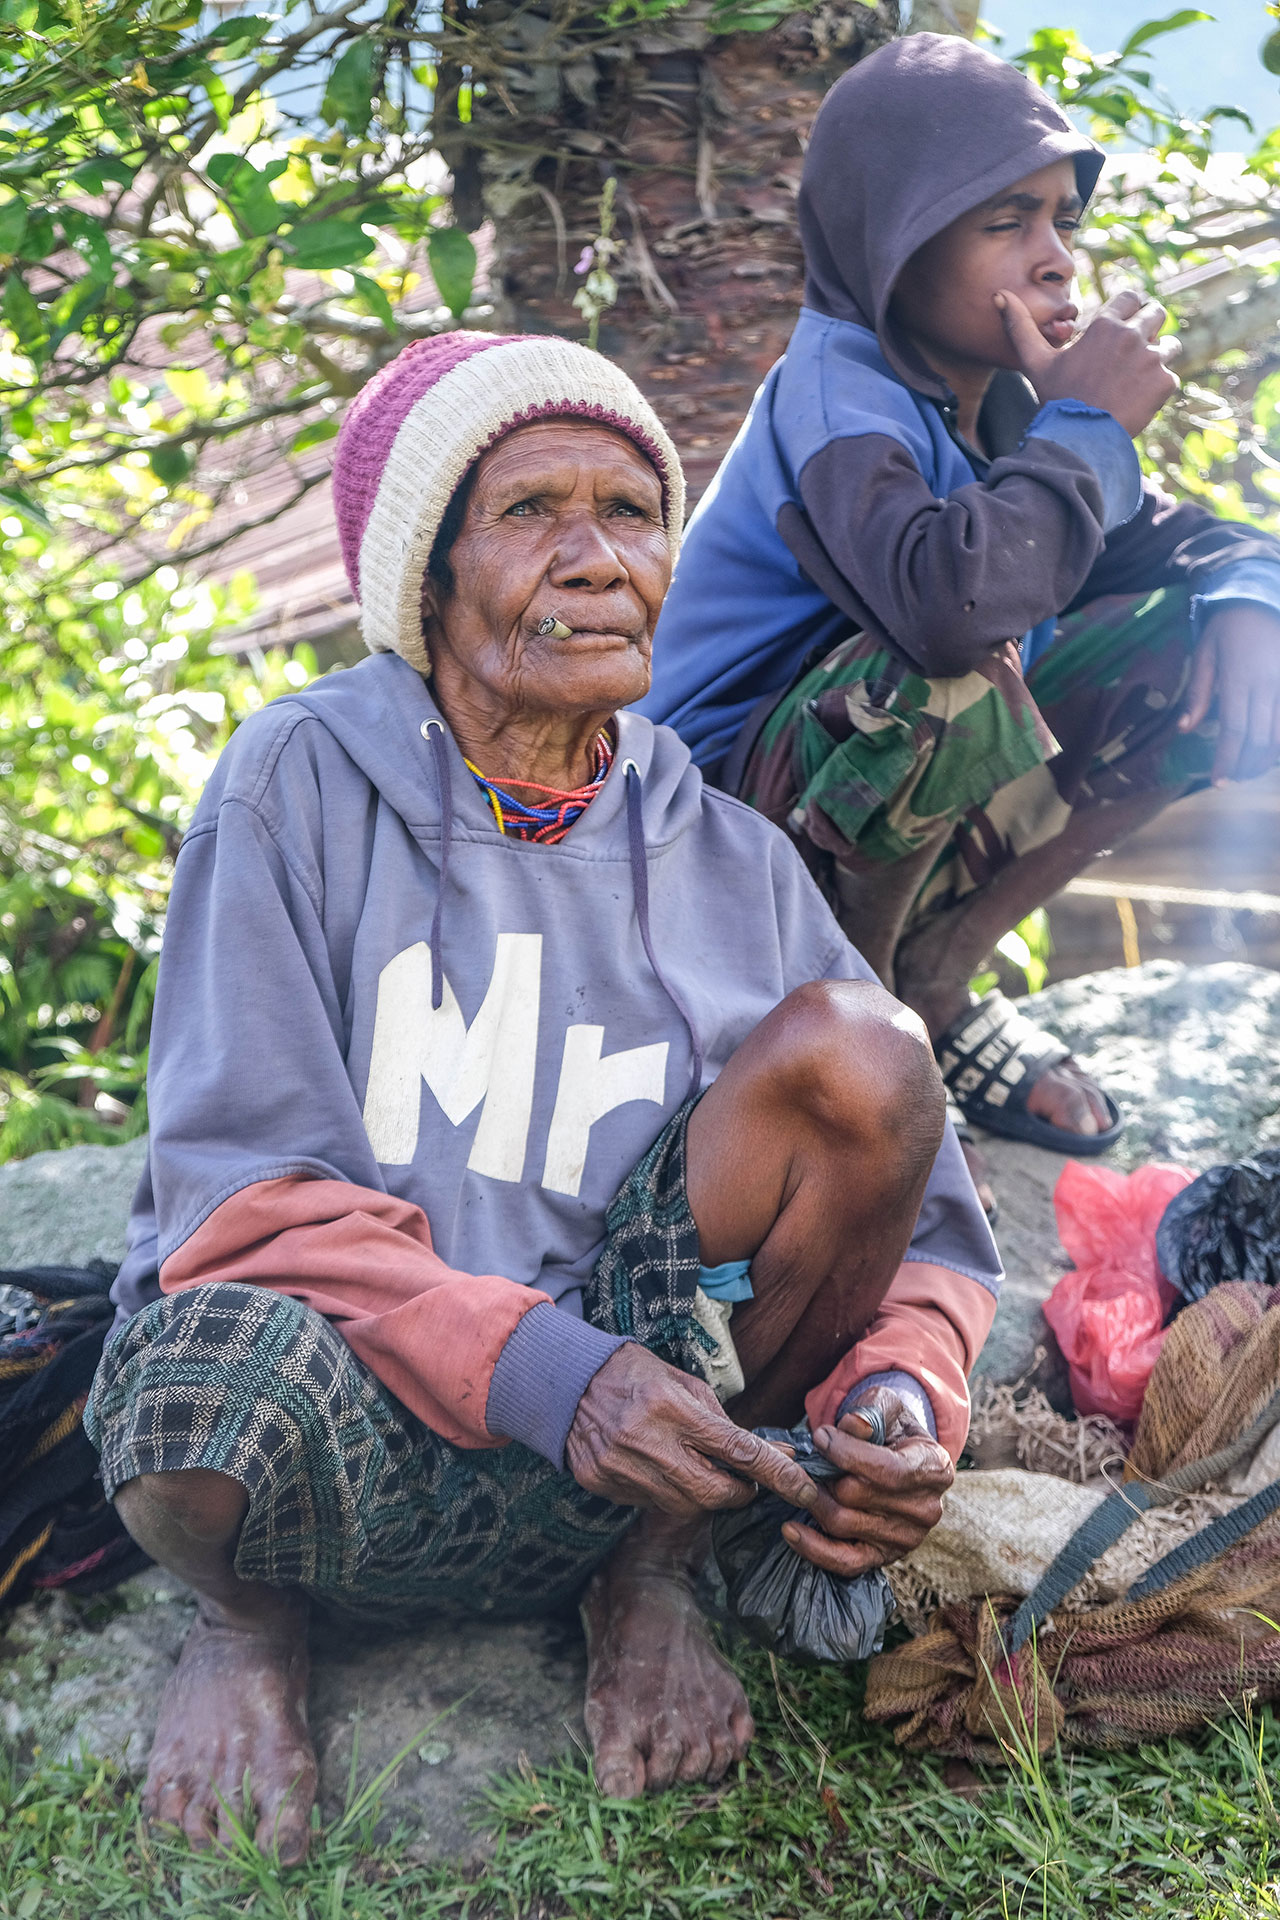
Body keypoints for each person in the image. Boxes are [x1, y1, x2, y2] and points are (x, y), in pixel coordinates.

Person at [85, 331, 1001, 1862]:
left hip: (642, 1460)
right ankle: (244, 1632)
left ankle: (650, 1585)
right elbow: (244, 1204)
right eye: (530, 513)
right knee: (192, 1382)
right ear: (427, 580)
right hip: (358, 1437)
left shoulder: (727, 856)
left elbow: (929, 1235)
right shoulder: (294, 782)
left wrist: (897, 1390)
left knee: (864, 1049)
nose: (595, 560)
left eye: (632, 511)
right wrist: (541, 1368)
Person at [639, 35, 1280, 1170]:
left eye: (1060, 223)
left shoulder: (995, 414)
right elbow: (943, 607)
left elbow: (1170, 547)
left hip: (856, 818)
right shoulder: (835, 399)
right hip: (712, 842)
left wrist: (1244, 592)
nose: (1054, 263)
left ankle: (935, 974)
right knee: (948, 662)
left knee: (1197, 637)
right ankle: (860, 1011)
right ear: (893, 245)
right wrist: (1081, 431)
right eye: (1004, 223)